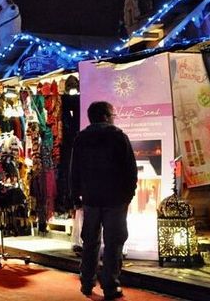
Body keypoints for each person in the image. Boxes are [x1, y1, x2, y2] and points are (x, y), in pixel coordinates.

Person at [70, 101, 137, 300]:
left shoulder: (81, 138)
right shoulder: (118, 136)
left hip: (90, 198)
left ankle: (87, 282)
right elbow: (130, 169)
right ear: (107, 115)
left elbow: (74, 170)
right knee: (113, 242)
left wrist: (75, 195)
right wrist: (129, 194)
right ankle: (110, 285)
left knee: (90, 241)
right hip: (115, 198)